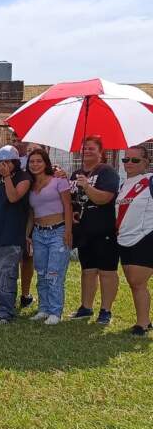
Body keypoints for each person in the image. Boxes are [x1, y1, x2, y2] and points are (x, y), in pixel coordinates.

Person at [69, 136, 120, 324]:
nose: (87, 152)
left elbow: (104, 198)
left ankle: (106, 310)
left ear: (101, 152)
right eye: (84, 149)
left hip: (103, 229)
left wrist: (87, 186)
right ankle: (86, 307)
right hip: (84, 231)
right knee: (87, 270)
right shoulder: (76, 174)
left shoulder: (107, 172)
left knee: (107, 271)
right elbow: (73, 199)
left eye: (91, 148)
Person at [0, 147, 32, 323]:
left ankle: (5, 311)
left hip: (12, 235)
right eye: (0, 162)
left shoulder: (24, 178)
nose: (3, 165)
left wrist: (6, 177)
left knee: (7, 272)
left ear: (15, 163)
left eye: (8, 162)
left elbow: (13, 197)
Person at [27, 147, 73, 325]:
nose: (35, 164)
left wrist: (68, 230)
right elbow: (32, 214)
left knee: (54, 272)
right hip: (39, 233)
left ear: (46, 162)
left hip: (58, 231)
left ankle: (55, 311)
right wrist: (28, 234)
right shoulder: (30, 185)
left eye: (39, 161)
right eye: (32, 161)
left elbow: (67, 206)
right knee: (42, 272)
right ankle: (44, 308)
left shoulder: (58, 180)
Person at [115, 145, 153, 336]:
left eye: (135, 160)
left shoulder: (150, 180)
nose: (129, 163)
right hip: (125, 239)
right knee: (133, 283)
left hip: (145, 237)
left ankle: (143, 324)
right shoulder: (124, 185)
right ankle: (144, 320)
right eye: (126, 159)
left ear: (146, 161)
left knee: (138, 282)